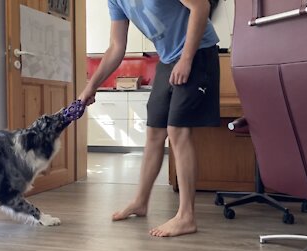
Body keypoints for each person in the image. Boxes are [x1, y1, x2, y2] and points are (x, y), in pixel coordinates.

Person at [79, 0, 220, 237]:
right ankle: (140, 202)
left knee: (177, 130)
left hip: (198, 51)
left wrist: (186, 59)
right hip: (167, 59)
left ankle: (186, 217)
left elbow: (201, 6)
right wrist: (91, 85)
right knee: (155, 131)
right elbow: (116, 46)